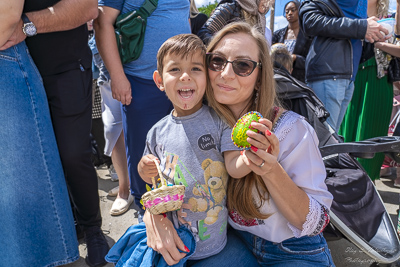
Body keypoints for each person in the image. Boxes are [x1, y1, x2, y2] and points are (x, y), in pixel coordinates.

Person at [105, 33, 259, 267]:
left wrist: (249, 156)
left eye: (196, 69)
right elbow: (150, 177)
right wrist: (144, 168)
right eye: (175, 70)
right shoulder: (156, 132)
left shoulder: (219, 121)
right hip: (173, 238)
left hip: (214, 242)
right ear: (159, 80)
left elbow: (232, 166)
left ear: (207, 78)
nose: (185, 77)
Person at [205, 21, 334, 266]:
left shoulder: (290, 130)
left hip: (292, 249)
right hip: (232, 241)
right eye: (217, 61)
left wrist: (271, 170)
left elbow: (316, 221)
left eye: (242, 65)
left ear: (260, 77)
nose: (225, 73)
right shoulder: (202, 123)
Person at [0, 0, 110, 266]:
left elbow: (86, 8)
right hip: (13, 72)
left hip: (64, 68)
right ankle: (66, 226)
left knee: (72, 154)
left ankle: (93, 228)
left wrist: (26, 25)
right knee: (32, 163)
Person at [94, 0, 191, 220]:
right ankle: (146, 216)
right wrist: (117, 76)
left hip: (182, 82)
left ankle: (177, 214)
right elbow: (102, 22)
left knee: (181, 152)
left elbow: (184, 21)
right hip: (141, 80)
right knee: (143, 154)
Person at [299, 0, 390, 132]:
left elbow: (352, 28)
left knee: (332, 139)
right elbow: (310, 20)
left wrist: (371, 32)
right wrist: (362, 27)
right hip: (329, 72)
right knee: (324, 140)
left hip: (349, 76)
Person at [339, 0, 396, 182]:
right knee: (347, 131)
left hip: (377, 79)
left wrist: (380, 42)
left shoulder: (390, 19)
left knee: (371, 132)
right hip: (351, 76)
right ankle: (342, 180)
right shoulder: (348, 15)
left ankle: (366, 184)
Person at [89, 33, 133, 216]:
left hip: (133, 58)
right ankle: (125, 187)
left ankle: (131, 186)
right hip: (106, 70)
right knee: (113, 130)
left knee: (134, 129)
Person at [197, 0, 274, 45]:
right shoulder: (231, 6)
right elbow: (203, 33)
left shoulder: (260, 19)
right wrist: (226, 46)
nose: (269, 3)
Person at [272, 0, 312, 82]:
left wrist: (295, 58)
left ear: (300, 11)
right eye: (287, 11)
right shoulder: (277, 34)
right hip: (279, 77)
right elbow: (272, 55)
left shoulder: (308, 35)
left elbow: (311, 60)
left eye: (293, 10)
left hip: (300, 78)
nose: (289, 13)